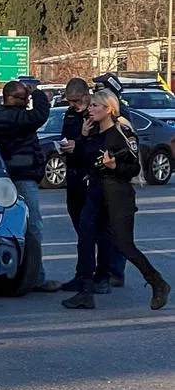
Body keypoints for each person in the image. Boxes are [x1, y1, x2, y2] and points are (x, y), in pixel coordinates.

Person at [62, 89, 170, 311]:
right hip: (95, 194)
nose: (90, 110)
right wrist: (81, 138)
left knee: (124, 245)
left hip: (117, 196)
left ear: (108, 109)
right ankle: (84, 291)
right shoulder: (93, 133)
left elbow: (134, 167)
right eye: (90, 106)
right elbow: (86, 159)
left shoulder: (121, 134)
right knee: (85, 238)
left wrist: (114, 166)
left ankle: (158, 283)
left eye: (94, 106)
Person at [0, 80, 59, 292]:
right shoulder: (15, 118)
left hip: (11, 178)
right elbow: (41, 114)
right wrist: (36, 93)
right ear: (12, 98)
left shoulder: (1, 118)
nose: (27, 100)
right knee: (33, 227)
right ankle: (36, 277)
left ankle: (26, 273)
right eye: (24, 97)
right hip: (22, 179)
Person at [59, 78, 125, 292]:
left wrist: (79, 143)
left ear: (87, 97)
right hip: (75, 177)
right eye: (70, 101)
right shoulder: (71, 114)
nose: (73, 105)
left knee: (100, 231)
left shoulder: (99, 116)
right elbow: (69, 138)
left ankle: (103, 275)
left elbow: (100, 148)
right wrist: (71, 145)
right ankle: (84, 276)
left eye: (76, 101)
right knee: (83, 231)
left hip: (95, 180)